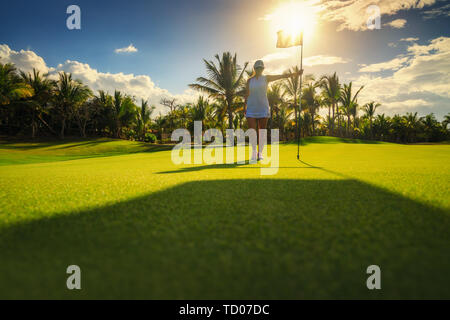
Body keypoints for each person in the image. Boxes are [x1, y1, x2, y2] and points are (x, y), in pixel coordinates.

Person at [244, 60, 303, 161]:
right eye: (257, 68)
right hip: (251, 108)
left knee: (262, 131)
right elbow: (247, 94)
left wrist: (295, 74)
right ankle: (254, 153)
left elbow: (281, 76)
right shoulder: (249, 81)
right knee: (253, 132)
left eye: (261, 68)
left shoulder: (266, 78)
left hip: (263, 108)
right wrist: (244, 106)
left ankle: (260, 153)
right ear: (255, 68)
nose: (259, 69)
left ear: (263, 69)